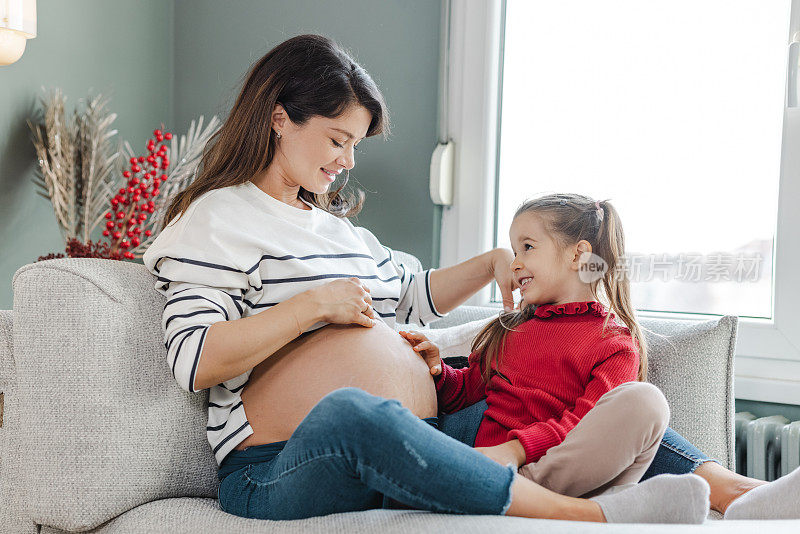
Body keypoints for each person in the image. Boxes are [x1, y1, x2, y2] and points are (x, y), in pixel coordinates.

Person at [141, 34, 798, 522]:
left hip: (423, 436)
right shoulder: (218, 219)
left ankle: (737, 494)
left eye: (356, 146)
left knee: (547, 386)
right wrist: (313, 306)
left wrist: (488, 265)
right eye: (337, 139)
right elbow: (194, 360)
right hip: (278, 467)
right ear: (280, 116)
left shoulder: (336, 230)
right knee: (354, 412)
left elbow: (415, 296)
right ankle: (596, 516)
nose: (346, 161)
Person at [402, 194, 800, 520]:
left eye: (527, 247)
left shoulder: (614, 341)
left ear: (579, 255)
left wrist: (517, 450)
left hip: (550, 469)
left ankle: (740, 501)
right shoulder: (510, 330)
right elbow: (466, 391)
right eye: (513, 249)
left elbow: (586, 422)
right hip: (499, 468)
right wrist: (438, 371)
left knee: (645, 402)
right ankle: (603, 508)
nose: (515, 262)